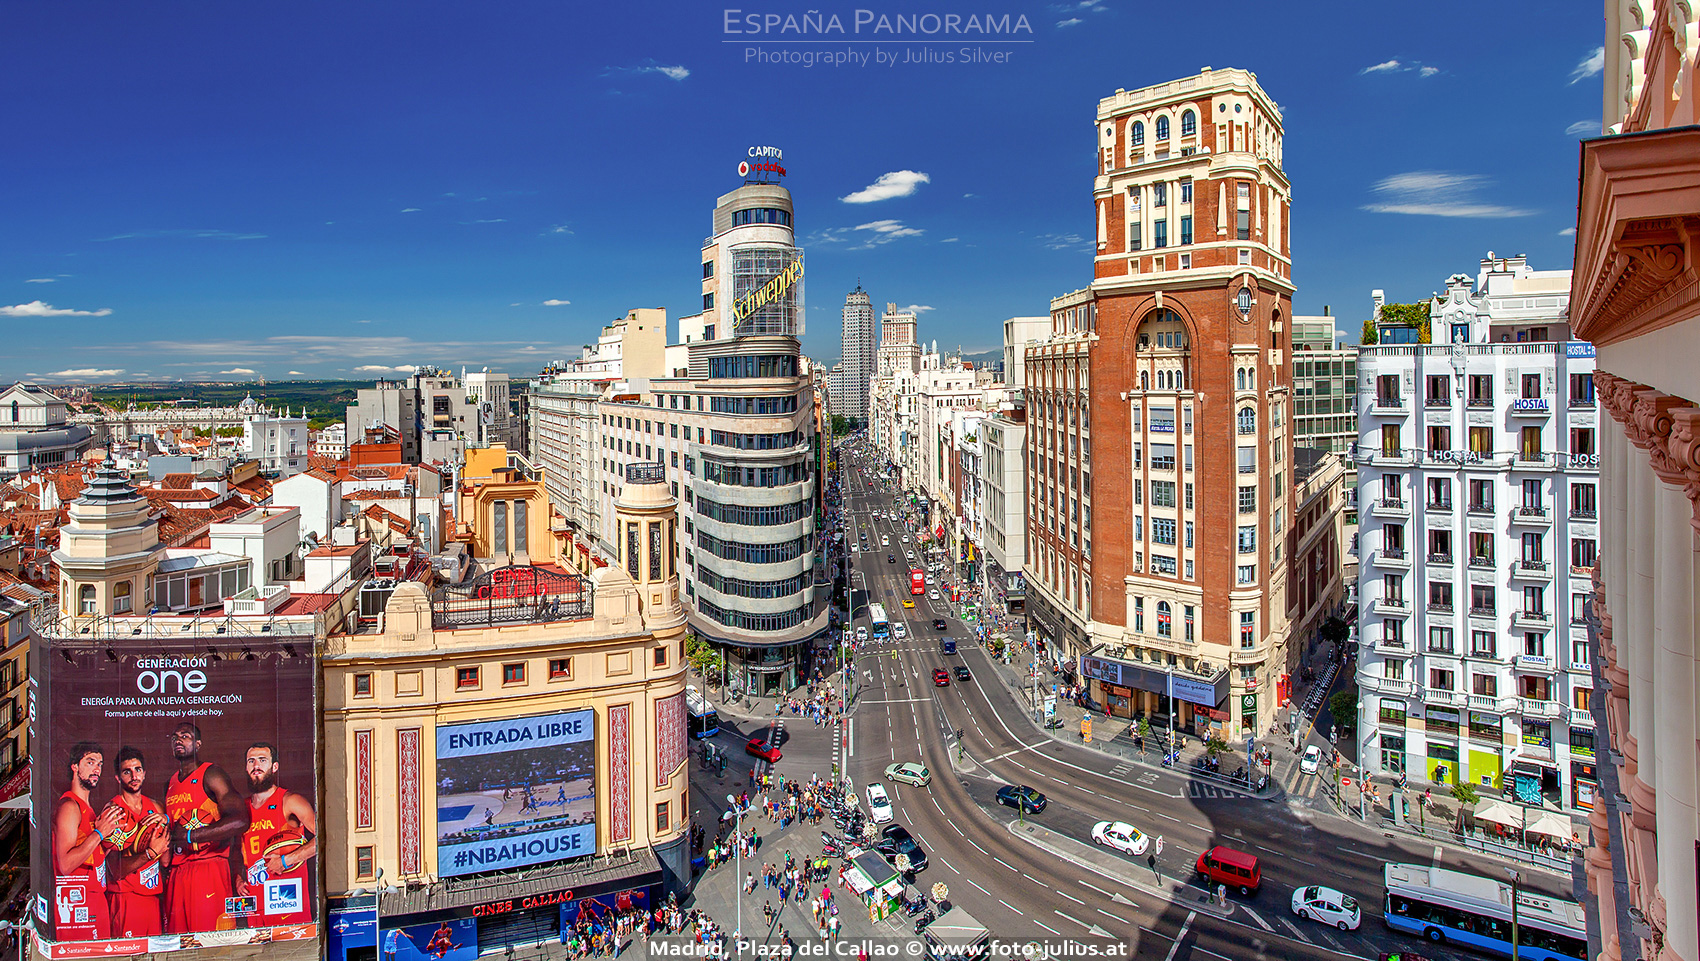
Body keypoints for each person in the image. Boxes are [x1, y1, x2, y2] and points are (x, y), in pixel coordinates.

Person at [165, 721, 250, 933]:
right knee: (179, 942)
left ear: (198, 744)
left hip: (209, 867)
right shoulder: (171, 783)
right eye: (175, 737)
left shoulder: (211, 774)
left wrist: (191, 836)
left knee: (211, 941)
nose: (178, 740)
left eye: (185, 736)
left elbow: (240, 820)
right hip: (178, 870)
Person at [238, 742, 318, 925]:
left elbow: (324, 839)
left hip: (286, 900)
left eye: (262, 760)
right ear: (246, 768)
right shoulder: (242, 808)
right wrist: (238, 877)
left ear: (274, 767)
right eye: (251, 761)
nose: (256, 766)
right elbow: (236, 852)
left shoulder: (290, 801)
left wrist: (285, 860)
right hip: (256, 904)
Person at [53, 741, 121, 940]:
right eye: (90, 762)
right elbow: (66, 864)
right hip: (77, 903)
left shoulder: (88, 809)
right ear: (75, 766)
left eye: (100, 764)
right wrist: (99, 833)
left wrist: (108, 842)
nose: (96, 769)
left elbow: (87, 854)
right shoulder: (69, 806)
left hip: (94, 897)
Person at [107, 746, 170, 938]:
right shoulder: (113, 811)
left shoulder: (157, 807)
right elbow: (115, 870)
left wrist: (166, 822)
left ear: (144, 773)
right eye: (127, 772)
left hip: (152, 896)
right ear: (118, 778)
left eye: (138, 770)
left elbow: (165, 860)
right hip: (126, 898)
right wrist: (150, 853)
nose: (134, 776)